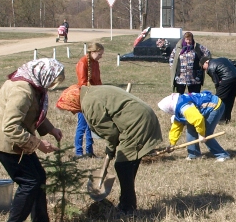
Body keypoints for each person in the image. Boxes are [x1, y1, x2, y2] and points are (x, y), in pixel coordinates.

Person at [0, 58, 65, 222]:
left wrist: (50, 129)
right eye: (52, 81)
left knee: (39, 176)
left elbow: (33, 112)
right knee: (29, 181)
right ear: (44, 75)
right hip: (7, 143)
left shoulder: (32, 84)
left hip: (19, 139)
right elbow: (11, 127)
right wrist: (39, 144)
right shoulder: (21, 91)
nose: (52, 86)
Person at [56, 85, 164, 214]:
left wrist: (110, 149)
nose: (73, 112)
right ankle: (128, 203)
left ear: (73, 101)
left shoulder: (89, 104)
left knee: (123, 165)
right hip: (140, 117)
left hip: (136, 123)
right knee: (127, 164)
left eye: (70, 109)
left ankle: (127, 207)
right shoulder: (90, 93)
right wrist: (111, 148)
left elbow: (111, 133)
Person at [157, 92, 230, 161]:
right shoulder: (179, 107)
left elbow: (198, 119)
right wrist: (172, 143)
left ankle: (223, 155)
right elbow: (176, 127)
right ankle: (194, 155)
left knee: (206, 134)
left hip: (215, 106)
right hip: (203, 109)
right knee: (190, 129)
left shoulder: (185, 108)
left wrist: (202, 134)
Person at [74, 42, 104, 158]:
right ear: (93, 52)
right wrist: (90, 95)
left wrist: (101, 93)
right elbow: (82, 83)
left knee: (91, 125)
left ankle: (90, 151)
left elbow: (98, 80)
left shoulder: (95, 63)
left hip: (94, 97)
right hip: (85, 97)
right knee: (82, 125)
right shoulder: (82, 63)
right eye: (100, 54)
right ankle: (78, 152)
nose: (101, 56)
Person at [200, 56, 236, 123]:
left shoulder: (210, 67)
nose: (204, 70)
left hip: (227, 79)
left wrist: (218, 91)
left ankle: (219, 119)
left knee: (218, 100)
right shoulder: (223, 59)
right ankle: (227, 118)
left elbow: (216, 82)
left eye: (203, 67)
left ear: (206, 62)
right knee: (230, 98)